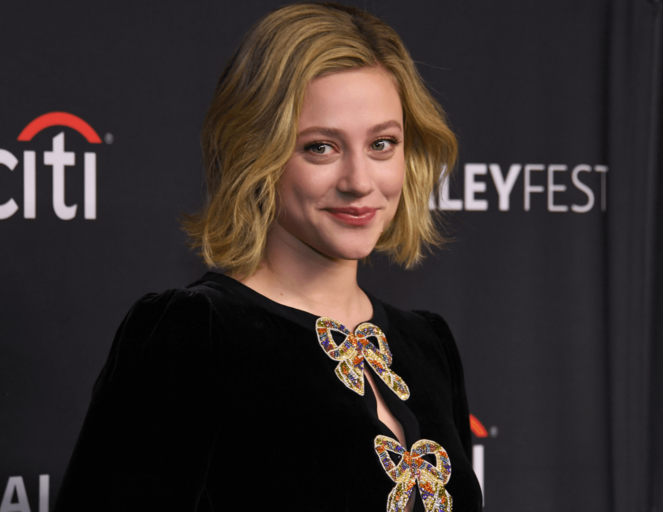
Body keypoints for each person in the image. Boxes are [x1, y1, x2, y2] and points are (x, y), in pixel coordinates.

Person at [54, 3, 482, 511]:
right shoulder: (196, 333)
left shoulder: (427, 344)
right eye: (321, 147)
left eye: (382, 144)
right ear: (257, 155)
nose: (360, 181)